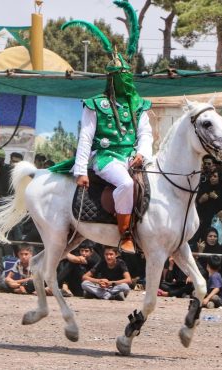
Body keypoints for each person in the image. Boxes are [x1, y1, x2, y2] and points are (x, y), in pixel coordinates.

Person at [72, 44, 152, 254]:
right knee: (126, 183)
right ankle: (125, 234)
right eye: (120, 76)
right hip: (106, 158)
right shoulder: (96, 104)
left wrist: (142, 154)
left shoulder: (139, 105)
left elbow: (146, 134)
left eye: (127, 75)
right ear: (112, 79)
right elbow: (86, 137)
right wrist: (80, 171)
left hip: (132, 156)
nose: (125, 80)